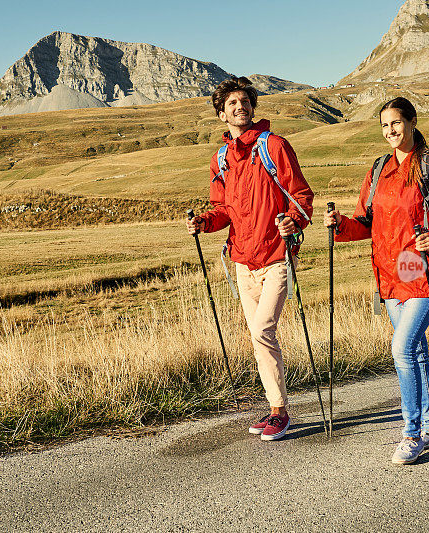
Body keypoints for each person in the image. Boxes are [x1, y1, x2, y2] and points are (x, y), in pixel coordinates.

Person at [324, 97, 429, 464]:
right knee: (416, 353)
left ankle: (410, 433)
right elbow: (366, 223)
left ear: (412, 122)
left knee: (402, 349)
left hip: (426, 274)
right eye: (384, 125)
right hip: (389, 278)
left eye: (396, 123)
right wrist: (340, 225)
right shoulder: (377, 171)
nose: (390, 131)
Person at [187, 77, 314, 441]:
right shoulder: (221, 158)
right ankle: (277, 408)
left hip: (276, 255)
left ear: (253, 107)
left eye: (244, 101)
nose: (239, 106)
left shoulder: (273, 145)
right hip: (242, 261)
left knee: (262, 331)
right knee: (259, 337)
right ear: (221, 112)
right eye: (231, 103)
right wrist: (204, 223)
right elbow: (222, 209)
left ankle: (279, 412)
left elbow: (301, 195)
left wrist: (294, 219)